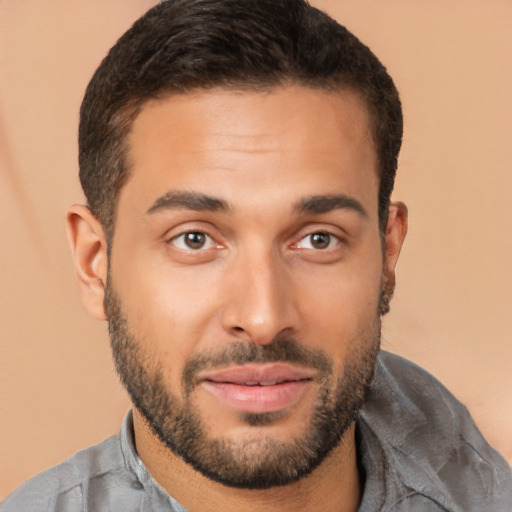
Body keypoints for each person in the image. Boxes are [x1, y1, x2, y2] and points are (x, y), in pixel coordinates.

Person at [2, 0, 511, 510]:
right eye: (195, 239)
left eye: (319, 239)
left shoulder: (452, 455)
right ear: (96, 263)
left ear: (387, 253)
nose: (264, 319)